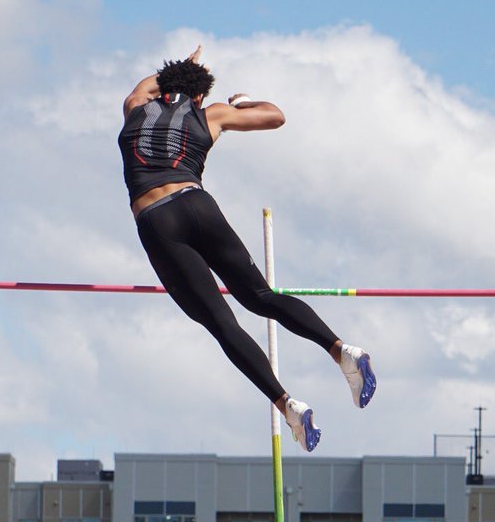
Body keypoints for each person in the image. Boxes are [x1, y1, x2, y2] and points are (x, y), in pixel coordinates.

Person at [118, 45, 377, 453]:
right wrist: (241, 101)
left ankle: (288, 405)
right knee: (261, 297)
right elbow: (275, 115)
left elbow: (147, 86)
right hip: (198, 204)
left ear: (162, 86)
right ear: (199, 95)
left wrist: (184, 66)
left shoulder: (135, 107)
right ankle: (342, 350)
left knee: (223, 325)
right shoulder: (212, 113)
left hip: (156, 218)